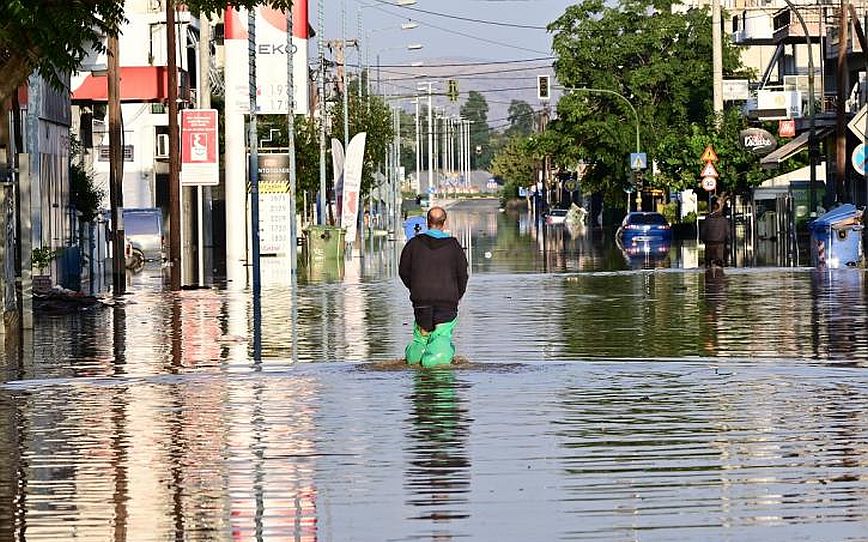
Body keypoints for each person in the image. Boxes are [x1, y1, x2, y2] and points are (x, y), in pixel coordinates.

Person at [399, 206, 468, 367]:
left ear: (427, 222)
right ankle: (435, 358)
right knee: (441, 336)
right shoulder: (454, 246)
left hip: (421, 301)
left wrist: (416, 289)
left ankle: (415, 356)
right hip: (447, 301)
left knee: (421, 337)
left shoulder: (413, 244)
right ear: (444, 223)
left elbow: (403, 271)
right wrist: (457, 295)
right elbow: (462, 275)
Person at [701, 198, 731, 267]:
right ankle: (719, 275)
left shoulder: (707, 220)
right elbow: (728, 233)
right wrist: (728, 243)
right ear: (719, 208)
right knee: (719, 264)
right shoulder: (724, 220)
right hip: (720, 244)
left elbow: (703, 233)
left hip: (709, 244)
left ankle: (709, 275)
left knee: (708, 264)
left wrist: (705, 241)